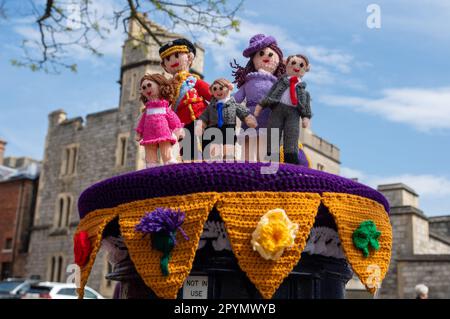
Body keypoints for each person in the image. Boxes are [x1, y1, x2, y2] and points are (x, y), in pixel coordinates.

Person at [231, 34, 286, 162]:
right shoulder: (248, 82)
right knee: (248, 149)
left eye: (271, 54)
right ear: (254, 59)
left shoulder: (277, 84)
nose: (266, 56)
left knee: (266, 150)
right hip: (249, 117)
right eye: (261, 54)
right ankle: (246, 168)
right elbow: (236, 99)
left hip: (269, 119)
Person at [159, 38, 211, 161]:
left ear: (189, 57)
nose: (173, 60)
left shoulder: (193, 80)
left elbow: (211, 94)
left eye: (177, 55)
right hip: (182, 122)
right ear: (164, 66)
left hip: (201, 117)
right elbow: (164, 104)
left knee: (207, 142)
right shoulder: (168, 87)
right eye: (168, 59)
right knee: (188, 148)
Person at [255, 54, 312, 164]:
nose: (297, 67)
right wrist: (261, 106)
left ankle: (290, 158)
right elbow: (270, 94)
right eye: (293, 63)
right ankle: (272, 157)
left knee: (292, 134)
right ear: (287, 64)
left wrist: (306, 117)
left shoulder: (302, 89)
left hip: (294, 113)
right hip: (277, 109)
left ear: (305, 69)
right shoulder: (281, 82)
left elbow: (306, 103)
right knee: (273, 131)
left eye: (301, 65)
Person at [195, 78, 257, 160]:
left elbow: (242, 111)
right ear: (211, 91)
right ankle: (212, 158)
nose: (218, 91)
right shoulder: (211, 106)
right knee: (212, 144)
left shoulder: (233, 104)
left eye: (221, 88)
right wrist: (200, 125)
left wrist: (248, 118)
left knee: (229, 143)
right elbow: (204, 116)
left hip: (228, 126)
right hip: (213, 127)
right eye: (215, 89)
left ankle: (228, 157)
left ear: (229, 88)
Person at [135, 74, 184, 167]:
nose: (146, 89)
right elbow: (142, 122)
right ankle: (151, 164)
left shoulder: (164, 107)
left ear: (160, 86)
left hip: (163, 133)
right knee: (150, 149)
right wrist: (139, 133)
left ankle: (168, 161)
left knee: (165, 147)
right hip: (148, 135)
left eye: (149, 85)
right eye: (144, 87)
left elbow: (172, 117)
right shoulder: (147, 110)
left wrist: (177, 130)